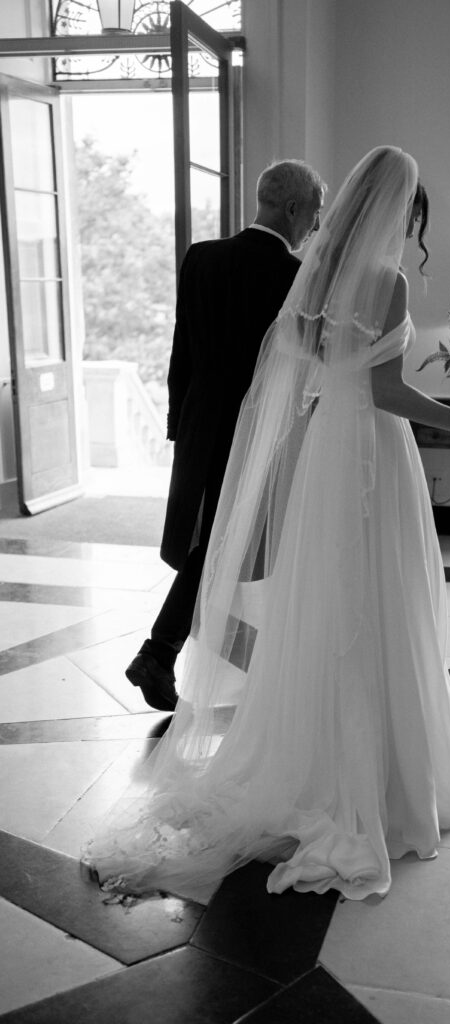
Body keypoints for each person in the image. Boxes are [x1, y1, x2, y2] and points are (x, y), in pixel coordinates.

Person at [85, 146, 450, 903]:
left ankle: (289, 739)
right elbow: (386, 392)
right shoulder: (386, 282)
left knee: (314, 592)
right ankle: (373, 776)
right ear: (394, 209)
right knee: (375, 597)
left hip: (303, 444)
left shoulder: (305, 277)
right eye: (411, 211)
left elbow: (295, 370)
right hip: (368, 449)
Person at [126, 160, 325, 712]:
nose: (314, 225)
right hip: (255, 430)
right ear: (292, 209)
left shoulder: (201, 257)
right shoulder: (296, 276)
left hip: (199, 421)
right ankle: (167, 652)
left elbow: (181, 350)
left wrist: (176, 426)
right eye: (313, 213)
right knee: (223, 546)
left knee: (213, 542)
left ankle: (183, 652)